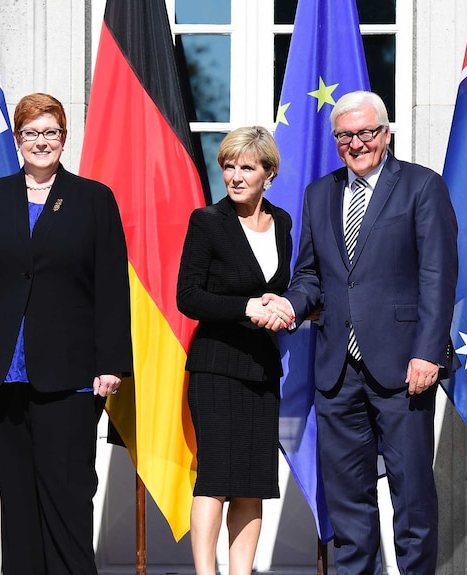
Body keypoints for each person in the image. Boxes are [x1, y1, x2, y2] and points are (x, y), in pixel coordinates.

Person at [0, 92, 132, 575]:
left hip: (71, 374)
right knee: (17, 499)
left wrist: (111, 362)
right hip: (1, 373)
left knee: (68, 495)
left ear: (64, 137)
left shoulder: (93, 198)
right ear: (17, 140)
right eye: (31, 133)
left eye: (50, 132)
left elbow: (112, 285)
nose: (41, 141)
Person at [278, 91, 459, 574]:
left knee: (412, 492)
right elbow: (311, 275)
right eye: (345, 136)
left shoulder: (422, 186)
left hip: (404, 368)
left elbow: (437, 276)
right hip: (337, 371)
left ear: (386, 133)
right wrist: (289, 305)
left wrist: (428, 353)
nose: (356, 144)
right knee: (347, 500)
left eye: (365, 133)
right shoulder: (321, 193)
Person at [176, 126, 293, 575]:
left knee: (251, 484)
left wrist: (290, 310)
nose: (236, 176)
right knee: (217, 479)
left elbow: (282, 289)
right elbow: (188, 296)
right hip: (216, 369)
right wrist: (247, 306)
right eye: (229, 166)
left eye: (247, 167)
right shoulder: (207, 221)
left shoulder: (281, 222)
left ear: (269, 173)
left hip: (262, 370)